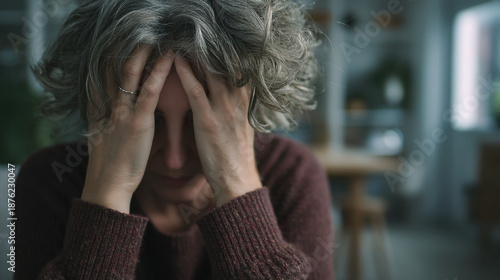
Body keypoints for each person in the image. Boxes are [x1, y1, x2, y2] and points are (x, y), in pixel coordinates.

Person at [15, 0, 335, 279]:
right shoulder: (48, 183)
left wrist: (237, 188)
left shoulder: (292, 176)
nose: (174, 160)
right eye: (149, 122)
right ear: (100, 105)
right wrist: (107, 195)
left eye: (200, 122)